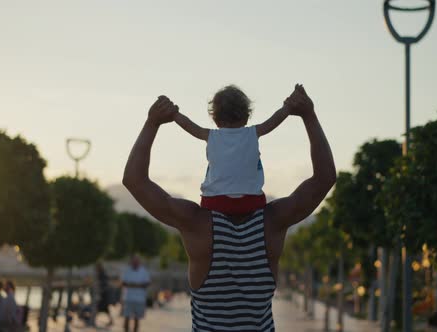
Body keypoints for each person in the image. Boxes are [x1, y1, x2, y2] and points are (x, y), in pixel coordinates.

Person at [122, 84, 336, 331]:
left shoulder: (195, 222)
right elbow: (324, 178)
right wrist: (308, 114)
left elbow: (134, 180)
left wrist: (153, 122)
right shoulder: (273, 221)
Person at [174, 85, 290, 215]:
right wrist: (287, 107)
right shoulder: (254, 132)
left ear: (215, 119)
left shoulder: (210, 135)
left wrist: (174, 114)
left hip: (215, 202)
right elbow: (275, 120)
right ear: (246, 116)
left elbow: (189, 126)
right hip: (251, 201)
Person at [120, 255, 151, 332]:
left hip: (140, 299)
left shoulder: (144, 271)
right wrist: (137, 285)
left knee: (137, 319)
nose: (135, 263)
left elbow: (147, 284)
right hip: (128, 298)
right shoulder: (127, 270)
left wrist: (133, 285)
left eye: (136, 261)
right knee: (126, 317)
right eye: (134, 261)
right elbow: (123, 283)